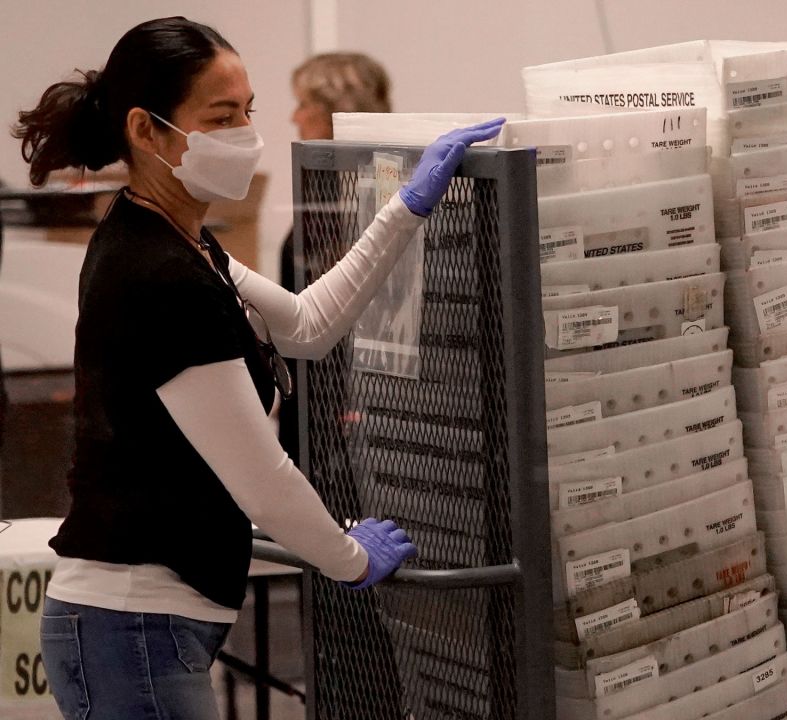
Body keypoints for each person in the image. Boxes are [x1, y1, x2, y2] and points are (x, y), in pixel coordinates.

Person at [11, 17, 503, 719]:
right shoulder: (155, 273)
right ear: (147, 131)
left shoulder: (181, 242)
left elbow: (304, 324)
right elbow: (262, 478)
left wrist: (406, 207)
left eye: (248, 111)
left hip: (146, 631)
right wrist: (349, 559)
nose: (246, 132)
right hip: (131, 630)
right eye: (220, 116)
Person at [279, 52, 392, 464]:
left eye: (304, 103)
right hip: (313, 396)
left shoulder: (370, 194)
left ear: (335, 111)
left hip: (345, 407)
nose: (295, 116)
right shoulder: (324, 191)